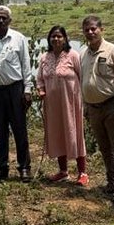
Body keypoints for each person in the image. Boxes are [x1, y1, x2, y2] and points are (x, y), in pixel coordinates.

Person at [79, 14, 114, 203]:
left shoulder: (113, 52)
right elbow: (82, 81)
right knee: (104, 147)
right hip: (93, 108)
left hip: (111, 105)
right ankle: (112, 182)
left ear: (101, 29)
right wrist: (85, 106)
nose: (91, 32)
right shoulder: (83, 53)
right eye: (87, 30)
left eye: (94, 29)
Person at [0, 4, 32, 181]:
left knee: (19, 129)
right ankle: (1, 169)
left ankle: (24, 167)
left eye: (4, 18)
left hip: (15, 89)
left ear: (9, 20)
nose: (1, 20)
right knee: (0, 131)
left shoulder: (18, 38)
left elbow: (26, 65)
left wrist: (28, 89)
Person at [36, 25, 88, 186]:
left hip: (71, 103)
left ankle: (82, 172)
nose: (56, 39)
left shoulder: (73, 55)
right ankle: (63, 171)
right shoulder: (45, 57)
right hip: (52, 104)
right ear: (49, 39)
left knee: (75, 134)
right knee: (57, 134)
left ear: (65, 38)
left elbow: (82, 77)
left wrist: (85, 101)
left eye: (59, 36)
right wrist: (41, 90)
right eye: (53, 36)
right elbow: (39, 79)